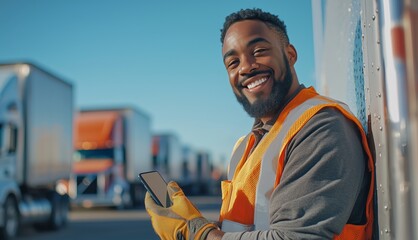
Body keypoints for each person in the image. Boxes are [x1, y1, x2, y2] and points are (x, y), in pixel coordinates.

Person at [145, 8, 374, 240]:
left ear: (290, 54)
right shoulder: (246, 145)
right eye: (233, 62)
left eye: (259, 51)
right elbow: (246, 228)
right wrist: (194, 222)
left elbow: (295, 236)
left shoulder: (322, 127)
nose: (245, 67)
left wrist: (198, 234)